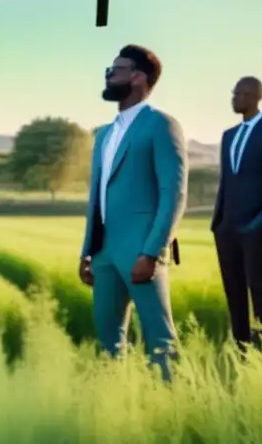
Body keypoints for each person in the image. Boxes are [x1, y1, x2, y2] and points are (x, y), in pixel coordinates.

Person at [78, 45, 188, 382]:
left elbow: (174, 193)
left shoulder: (161, 125)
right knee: (109, 341)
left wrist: (152, 251)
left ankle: (174, 409)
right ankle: (118, 406)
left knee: (160, 337)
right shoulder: (104, 134)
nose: (110, 74)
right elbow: (96, 197)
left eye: (117, 68)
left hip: (142, 250)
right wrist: (87, 252)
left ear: (138, 76)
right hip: (104, 253)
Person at [210, 76, 262, 352]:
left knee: (258, 292)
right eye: (235, 93)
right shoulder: (228, 136)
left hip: (256, 227)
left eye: (243, 94)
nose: (236, 98)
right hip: (227, 228)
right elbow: (226, 181)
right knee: (234, 293)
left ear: (257, 96)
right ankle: (242, 349)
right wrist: (218, 223)